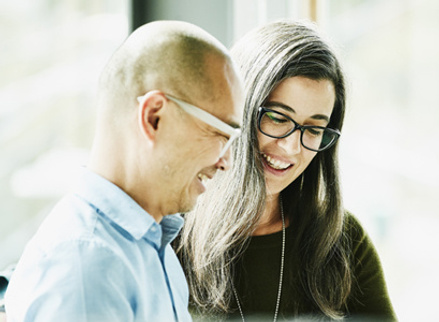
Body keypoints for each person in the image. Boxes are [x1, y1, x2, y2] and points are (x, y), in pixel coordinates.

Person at [5, 20, 244, 321]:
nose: (227, 161)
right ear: (154, 117)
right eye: (221, 134)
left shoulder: (151, 247)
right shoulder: (86, 270)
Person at [177, 20, 397, 321]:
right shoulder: (169, 235)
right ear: (236, 107)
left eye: (314, 128)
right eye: (278, 118)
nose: (293, 147)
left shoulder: (342, 240)